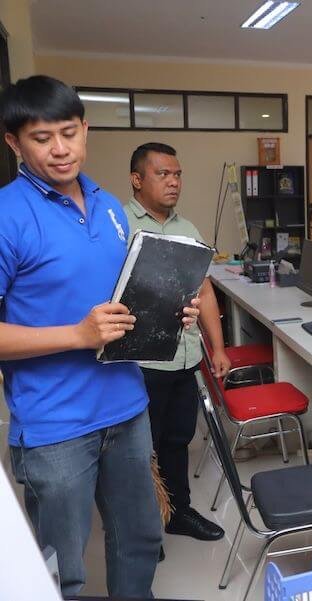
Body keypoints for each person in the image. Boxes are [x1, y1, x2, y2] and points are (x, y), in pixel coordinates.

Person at [0, 75, 199, 597]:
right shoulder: (6, 215)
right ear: (14, 143)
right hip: (55, 424)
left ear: (85, 130)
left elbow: (122, 297)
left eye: (69, 133)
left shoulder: (110, 206)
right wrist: (76, 334)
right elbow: (83, 326)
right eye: (42, 138)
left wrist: (168, 311)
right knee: (62, 570)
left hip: (128, 409)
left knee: (139, 540)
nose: (60, 149)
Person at [126, 142, 231, 545]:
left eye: (177, 174)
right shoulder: (120, 225)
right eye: (162, 174)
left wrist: (217, 347)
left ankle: (178, 512)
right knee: (140, 449)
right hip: (140, 362)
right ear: (137, 179)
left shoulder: (188, 229)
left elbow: (204, 291)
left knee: (177, 439)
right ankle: (142, 530)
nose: (173, 182)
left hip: (184, 357)